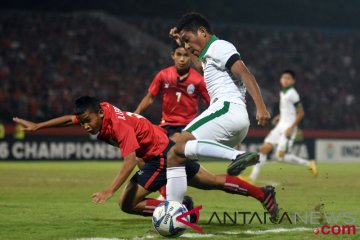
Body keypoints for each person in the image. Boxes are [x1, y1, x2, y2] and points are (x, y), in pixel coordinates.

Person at [13, 96, 279, 222]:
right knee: (211, 181)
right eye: (82, 122)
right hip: (165, 148)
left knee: (126, 203)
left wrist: (109, 189)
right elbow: (70, 119)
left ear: (100, 115)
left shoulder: (117, 126)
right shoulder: (100, 111)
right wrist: (38, 126)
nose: (84, 126)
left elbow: (129, 161)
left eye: (87, 121)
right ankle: (262, 194)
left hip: (160, 157)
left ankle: (180, 213)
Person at [165, 12, 275, 217]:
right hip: (233, 117)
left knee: (180, 144)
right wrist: (179, 39)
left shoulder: (220, 46)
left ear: (203, 32)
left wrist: (261, 107)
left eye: (188, 40)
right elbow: (199, 64)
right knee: (175, 156)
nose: (187, 47)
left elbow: (245, 73)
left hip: (227, 108)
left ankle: (238, 156)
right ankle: (173, 212)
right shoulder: (209, 55)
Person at [248, 70, 318, 181]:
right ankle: (252, 178)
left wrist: (291, 127)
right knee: (264, 149)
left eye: (288, 78)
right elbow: (289, 110)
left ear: (293, 81)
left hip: (288, 127)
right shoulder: (283, 92)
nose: (285, 80)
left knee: (280, 157)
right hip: (280, 125)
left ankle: (309, 163)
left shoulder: (293, 94)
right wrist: (279, 116)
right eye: (283, 78)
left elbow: (301, 113)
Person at [135, 41, 209, 142]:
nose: (182, 59)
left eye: (186, 55)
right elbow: (150, 97)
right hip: (166, 125)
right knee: (144, 152)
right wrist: (136, 114)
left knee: (176, 143)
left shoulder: (198, 80)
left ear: (191, 57)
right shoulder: (163, 75)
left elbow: (211, 103)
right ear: (173, 55)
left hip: (188, 126)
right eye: (179, 54)